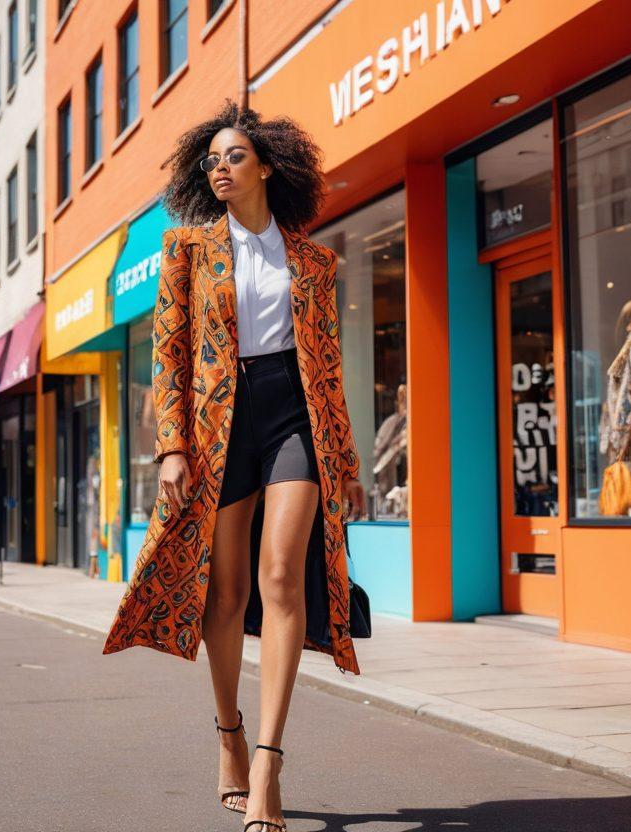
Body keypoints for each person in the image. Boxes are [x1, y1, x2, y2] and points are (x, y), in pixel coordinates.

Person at [102, 101, 366, 832]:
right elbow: (170, 353)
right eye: (211, 160)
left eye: (233, 157)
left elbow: (327, 365)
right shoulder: (188, 249)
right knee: (226, 592)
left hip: (293, 413)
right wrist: (173, 446)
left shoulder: (314, 261)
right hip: (219, 422)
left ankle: (269, 765)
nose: (219, 168)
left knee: (282, 576)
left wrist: (341, 455)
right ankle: (229, 734)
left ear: (268, 167)